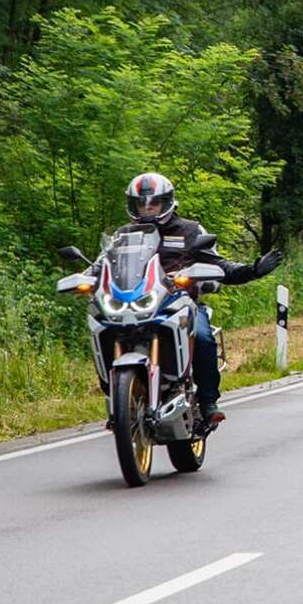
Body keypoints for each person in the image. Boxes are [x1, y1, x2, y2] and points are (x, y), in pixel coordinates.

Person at [112, 172, 282, 425]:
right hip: (135, 303)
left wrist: (253, 270)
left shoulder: (190, 230)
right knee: (107, 330)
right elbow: (104, 265)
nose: (148, 208)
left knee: (202, 338)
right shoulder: (123, 235)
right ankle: (121, 403)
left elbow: (220, 264)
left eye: (154, 203)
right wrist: (86, 278)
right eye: (141, 203)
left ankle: (207, 401)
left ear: (166, 202)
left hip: (181, 302)